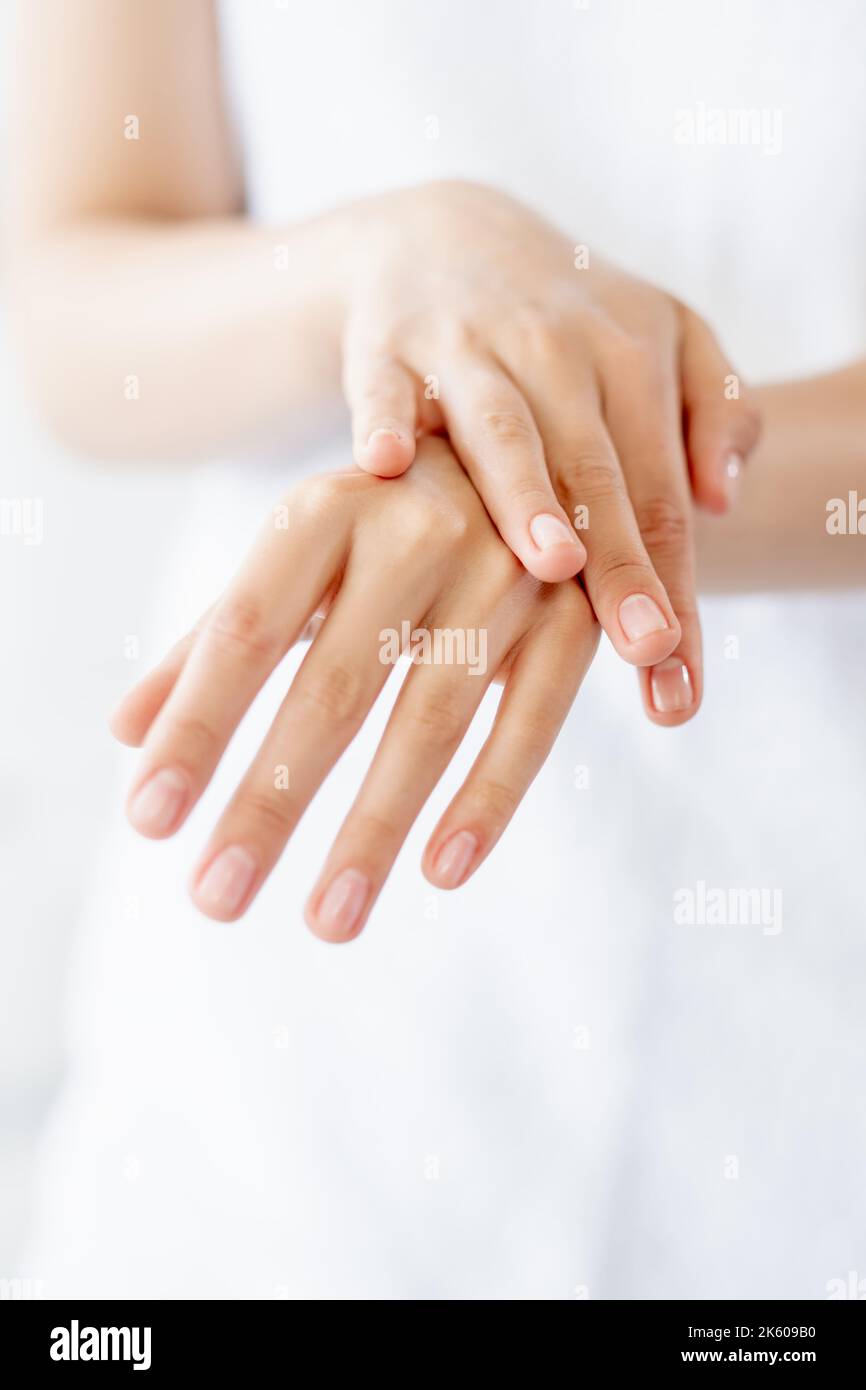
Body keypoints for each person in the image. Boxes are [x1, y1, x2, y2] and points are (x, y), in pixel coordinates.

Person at [7, 0, 866, 1298]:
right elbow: (73, 295)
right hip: (290, 1069)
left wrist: (562, 500)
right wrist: (374, 263)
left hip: (805, 1055)